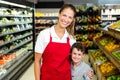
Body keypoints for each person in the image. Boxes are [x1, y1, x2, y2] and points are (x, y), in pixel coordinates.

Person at [34, 4, 93, 80]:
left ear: (72, 20)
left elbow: (76, 59)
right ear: (59, 14)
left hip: (65, 77)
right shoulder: (44, 34)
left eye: (70, 17)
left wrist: (86, 70)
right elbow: (37, 61)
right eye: (64, 15)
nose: (66, 19)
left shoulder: (71, 39)